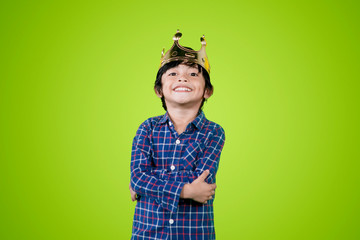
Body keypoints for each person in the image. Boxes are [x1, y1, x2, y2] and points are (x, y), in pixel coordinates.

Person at [129, 30, 225, 240]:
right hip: (148, 234)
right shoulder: (147, 128)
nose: (182, 77)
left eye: (193, 74)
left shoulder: (214, 132)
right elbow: (138, 178)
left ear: (207, 91)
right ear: (159, 90)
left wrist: (149, 184)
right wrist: (187, 191)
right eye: (172, 73)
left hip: (194, 234)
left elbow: (201, 181)